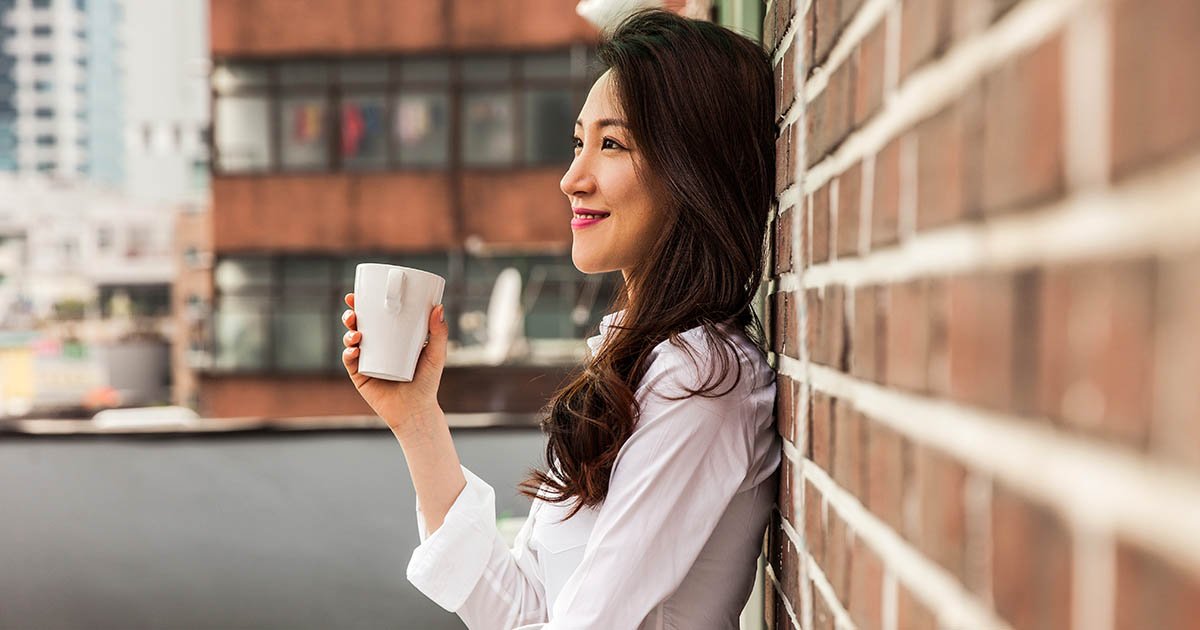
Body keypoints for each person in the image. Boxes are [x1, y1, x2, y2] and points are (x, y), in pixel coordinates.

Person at [340, 8, 779, 629]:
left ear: (692, 170)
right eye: (579, 142)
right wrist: (416, 417)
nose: (572, 179)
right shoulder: (648, 363)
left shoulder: (700, 381)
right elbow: (522, 607)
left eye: (612, 143)